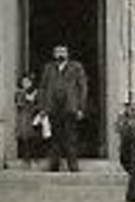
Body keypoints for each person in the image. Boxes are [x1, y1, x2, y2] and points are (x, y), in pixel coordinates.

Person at [37, 44, 87, 172]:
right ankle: (54, 164)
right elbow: (42, 88)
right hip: (52, 107)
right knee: (54, 137)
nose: (60, 54)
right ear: (54, 54)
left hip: (70, 106)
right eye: (58, 51)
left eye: (63, 51)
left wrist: (81, 107)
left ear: (67, 53)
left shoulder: (76, 67)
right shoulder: (48, 68)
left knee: (71, 136)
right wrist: (42, 107)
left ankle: (73, 165)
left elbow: (82, 88)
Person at [13, 73, 41, 169]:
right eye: (24, 82)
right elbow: (20, 103)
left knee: (34, 138)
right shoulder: (19, 93)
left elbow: (38, 103)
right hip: (24, 117)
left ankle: (34, 158)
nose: (26, 84)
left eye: (28, 82)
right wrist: (29, 96)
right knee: (25, 139)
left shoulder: (35, 92)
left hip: (32, 117)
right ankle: (26, 159)